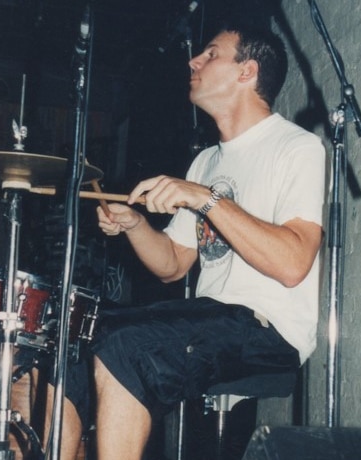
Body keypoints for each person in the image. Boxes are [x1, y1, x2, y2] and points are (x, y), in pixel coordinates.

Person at [89, 23, 325, 459]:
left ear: (246, 72)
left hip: (269, 330)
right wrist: (136, 226)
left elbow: (293, 265)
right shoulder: (205, 161)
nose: (193, 62)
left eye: (210, 54)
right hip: (210, 319)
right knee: (81, 341)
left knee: (127, 344)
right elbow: (174, 264)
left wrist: (204, 198)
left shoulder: (297, 147)